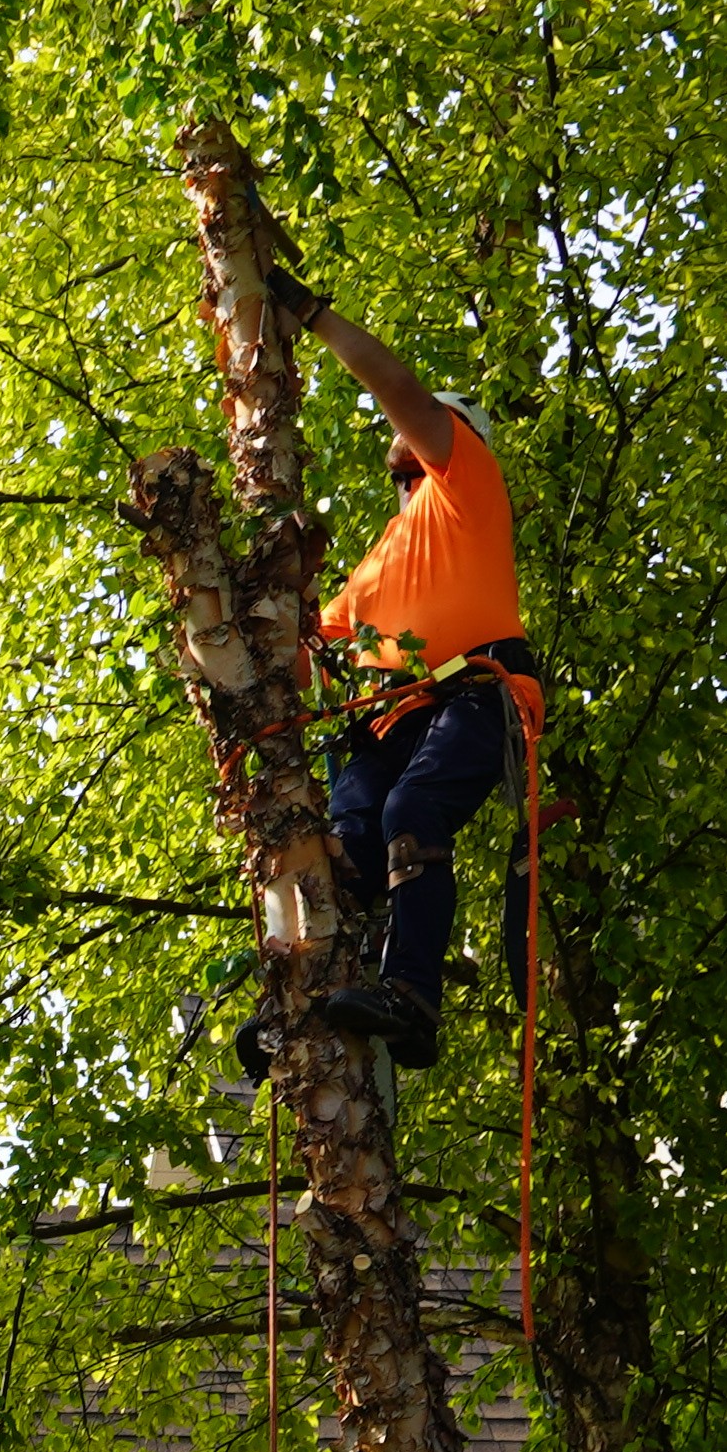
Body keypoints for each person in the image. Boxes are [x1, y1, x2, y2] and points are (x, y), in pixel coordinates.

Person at [245, 270, 545, 1078]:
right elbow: (308, 658)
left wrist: (312, 316)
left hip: (475, 694)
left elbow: (398, 387)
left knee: (414, 811)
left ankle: (411, 997)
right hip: (383, 724)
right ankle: (292, 1005)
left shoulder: (467, 487)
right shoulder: (378, 563)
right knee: (334, 854)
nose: (408, 446)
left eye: (422, 435)